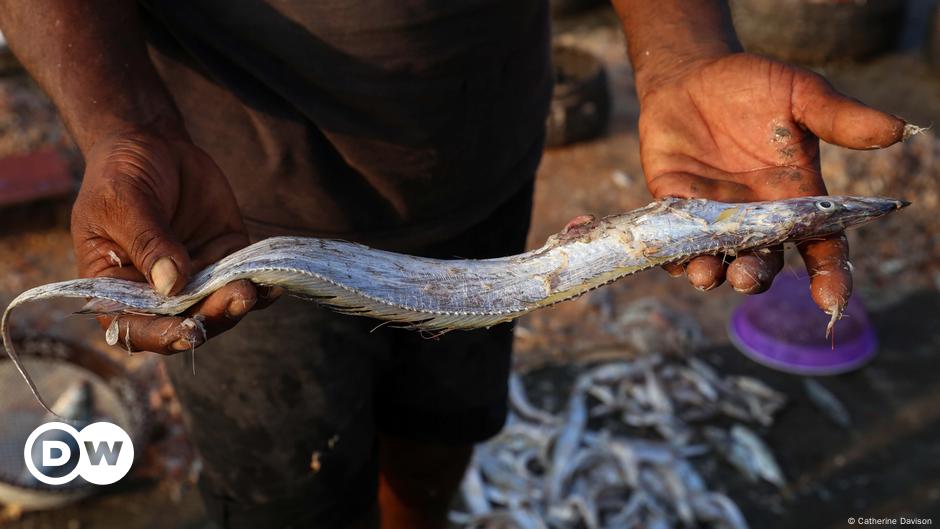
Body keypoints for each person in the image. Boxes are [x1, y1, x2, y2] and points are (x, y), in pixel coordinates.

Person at [0, 1, 908, 528]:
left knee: (436, 442)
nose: (812, 215)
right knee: (286, 496)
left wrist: (684, 51)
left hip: (479, 166)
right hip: (220, 212)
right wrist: (123, 122)